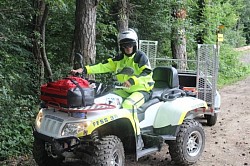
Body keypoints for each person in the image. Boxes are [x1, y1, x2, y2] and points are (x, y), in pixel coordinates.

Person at [71, 28, 154, 110]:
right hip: (125, 90)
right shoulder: (119, 59)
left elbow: (147, 73)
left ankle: (133, 124)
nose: (128, 48)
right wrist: (84, 70)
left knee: (128, 105)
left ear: (135, 45)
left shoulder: (140, 57)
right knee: (105, 99)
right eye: (124, 45)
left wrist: (132, 81)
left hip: (142, 91)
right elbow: (102, 66)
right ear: (121, 47)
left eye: (130, 45)